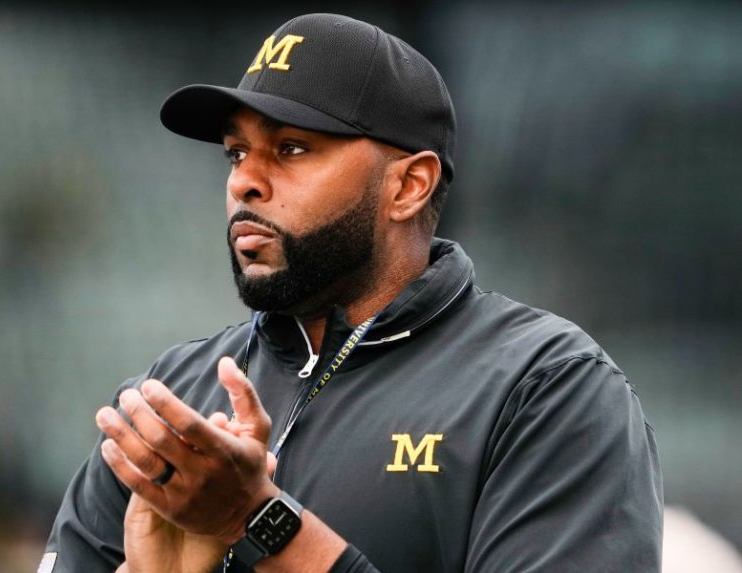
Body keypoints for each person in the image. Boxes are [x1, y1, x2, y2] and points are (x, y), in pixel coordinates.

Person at [41, 13, 663, 573]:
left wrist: (258, 523)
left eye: (289, 149)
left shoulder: (545, 387)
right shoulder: (170, 396)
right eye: (236, 153)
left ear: (409, 186)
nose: (245, 184)